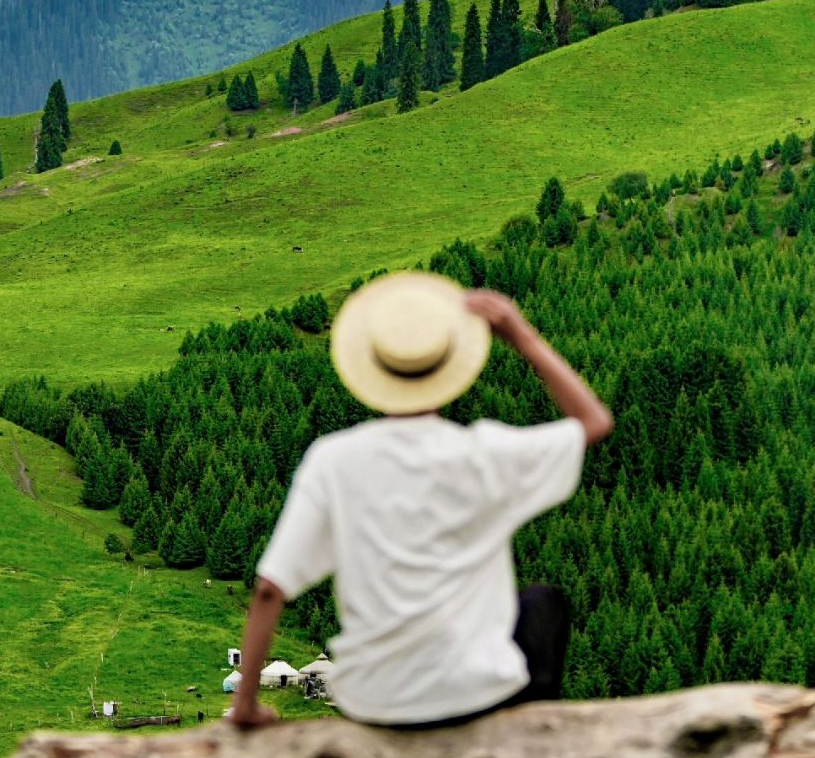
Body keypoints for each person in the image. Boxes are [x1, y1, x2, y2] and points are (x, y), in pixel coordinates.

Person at [230, 272, 613, 730]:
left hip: (376, 702)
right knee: (543, 604)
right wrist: (521, 335)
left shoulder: (333, 459)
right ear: (452, 365)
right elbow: (593, 422)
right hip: (473, 694)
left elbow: (271, 588)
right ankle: (525, 736)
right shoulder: (485, 452)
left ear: (370, 368)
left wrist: (245, 705)